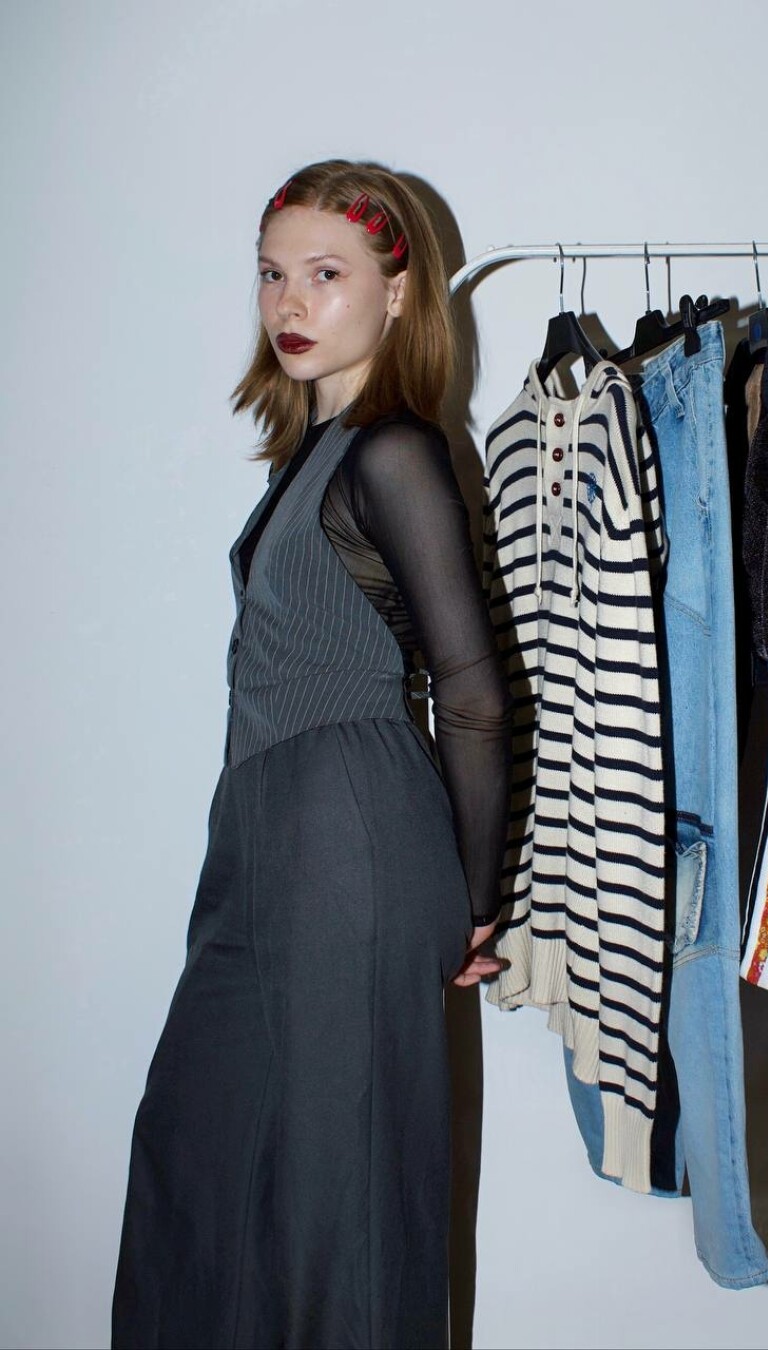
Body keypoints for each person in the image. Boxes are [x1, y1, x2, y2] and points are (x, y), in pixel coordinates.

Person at [111, 159, 512, 1350]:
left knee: (346, 1198)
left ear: (397, 293)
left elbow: (473, 693)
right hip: (263, 835)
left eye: (326, 274)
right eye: (272, 274)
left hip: (348, 833)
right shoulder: (317, 454)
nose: (290, 303)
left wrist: (472, 902)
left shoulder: (394, 451)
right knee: (199, 1151)